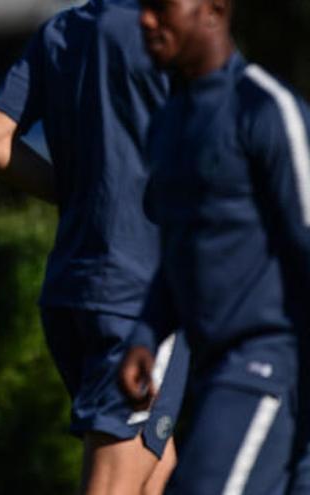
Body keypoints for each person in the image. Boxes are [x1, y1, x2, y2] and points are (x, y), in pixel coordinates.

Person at [0, 1, 190, 493]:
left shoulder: (61, 30)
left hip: (73, 290)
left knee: (161, 469)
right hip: (140, 299)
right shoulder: (172, 28)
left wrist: (78, 194)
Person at [119, 0, 310, 492]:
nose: (146, 19)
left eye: (162, 7)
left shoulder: (266, 109)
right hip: (213, 370)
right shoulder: (168, 124)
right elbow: (182, 252)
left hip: (268, 366)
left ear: (214, 9)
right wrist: (145, 334)